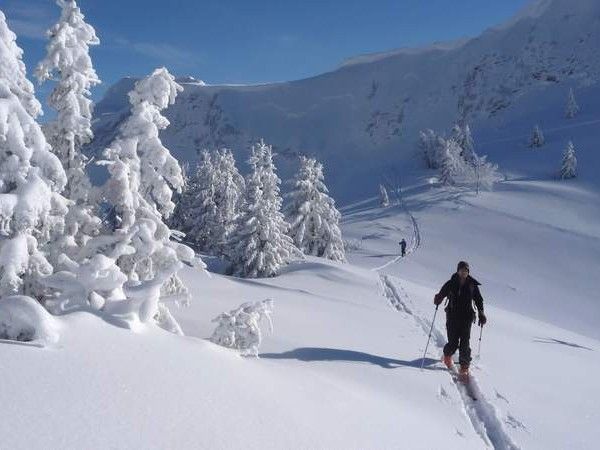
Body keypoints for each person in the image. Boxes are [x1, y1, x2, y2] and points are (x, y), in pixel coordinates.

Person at [433, 261, 487, 379]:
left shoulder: (472, 285)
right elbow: (442, 293)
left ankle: (464, 366)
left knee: (464, 343)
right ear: (458, 271)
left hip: (466, 318)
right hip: (452, 317)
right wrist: (438, 298)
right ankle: (447, 356)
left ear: (468, 272)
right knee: (453, 342)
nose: (464, 273)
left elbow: (479, 300)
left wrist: (481, 313)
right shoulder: (451, 283)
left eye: (466, 271)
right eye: (462, 270)